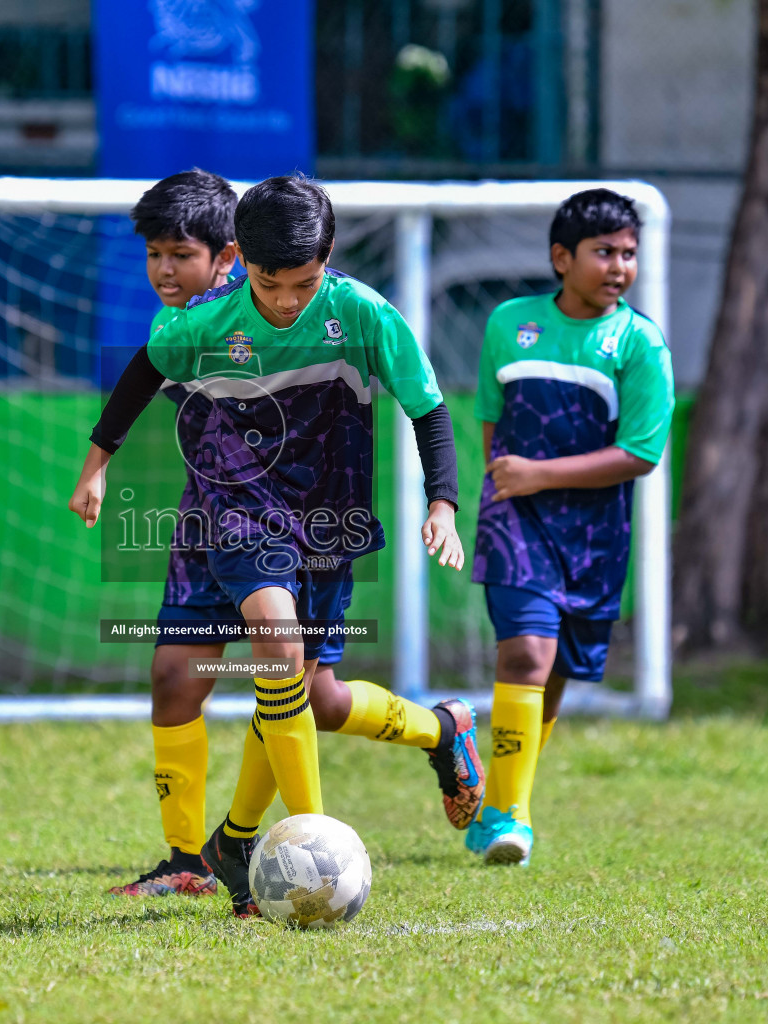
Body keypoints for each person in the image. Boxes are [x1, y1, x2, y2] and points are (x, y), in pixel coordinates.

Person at [71, 174, 477, 915]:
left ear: (328, 258)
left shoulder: (361, 313)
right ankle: (242, 854)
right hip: (228, 512)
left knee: (312, 696)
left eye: (304, 282)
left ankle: (438, 732)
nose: (288, 300)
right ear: (241, 262)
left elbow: (428, 408)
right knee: (213, 666)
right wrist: (96, 465)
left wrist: (443, 504)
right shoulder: (202, 323)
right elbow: (142, 372)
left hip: (324, 521)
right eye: (270, 282)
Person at [465, 188, 675, 867]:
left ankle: (496, 786)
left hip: (592, 534)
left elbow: (640, 454)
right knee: (526, 655)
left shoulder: (640, 344)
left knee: (555, 673)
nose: (619, 266)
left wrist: (542, 474)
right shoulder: (509, 323)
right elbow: (493, 422)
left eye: (628, 253)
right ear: (562, 257)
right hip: (515, 520)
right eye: (604, 252)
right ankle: (508, 815)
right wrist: (511, 480)